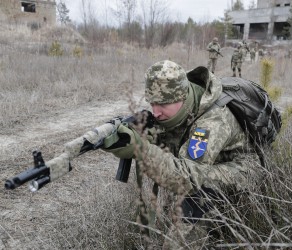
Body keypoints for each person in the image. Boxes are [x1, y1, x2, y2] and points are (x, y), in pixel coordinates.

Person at [102, 60, 262, 249]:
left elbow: (187, 178)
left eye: (162, 104)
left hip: (244, 169)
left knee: (198, 189)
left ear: (182, 96)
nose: (156, 112)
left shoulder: (213, 120)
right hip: (213, 161)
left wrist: (141, 149)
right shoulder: (185, 103)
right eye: (152, 103)